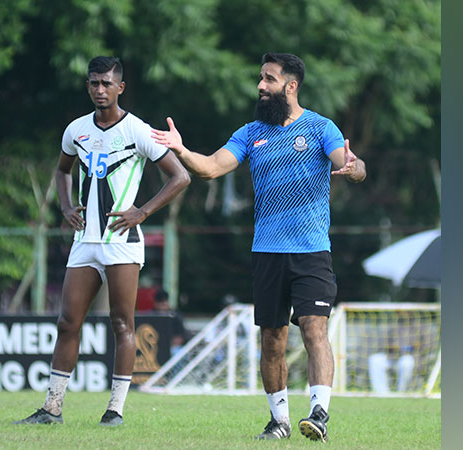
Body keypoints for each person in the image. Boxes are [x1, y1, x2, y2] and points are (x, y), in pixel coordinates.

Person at [152, 52, 366, 442]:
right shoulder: (250, 133)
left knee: (315, 330)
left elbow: (350, 162)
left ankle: (319, 412)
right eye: (261, 79)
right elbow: (212, 167)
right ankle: (279, 421)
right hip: (267, 252)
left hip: (311, 250)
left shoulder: (320, 127)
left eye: (269, 79)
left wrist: (353, 168)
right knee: (272, 339)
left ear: (291, 85)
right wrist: (181, 150)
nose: (260, 87)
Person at [14, 56, 190, 427]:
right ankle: (52, 408)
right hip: (85, 241)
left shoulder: (138, 131)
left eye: (106, 83)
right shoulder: (76, 130)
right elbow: (62, 170)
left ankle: (115, 411)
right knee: (67, 322)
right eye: (94, 83)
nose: (99, 90)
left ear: (120, 87)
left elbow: (180, 177)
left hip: (122, 242)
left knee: (122, 324)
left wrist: (141, 212)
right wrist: (64, 206)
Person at [151, 289, 190, 355]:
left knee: (177, 352)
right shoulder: (151, 316)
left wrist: (166, 346)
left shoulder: (175, 316)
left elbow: (179, 337)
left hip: (172, 347)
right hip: (154, 348)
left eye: (163, 302)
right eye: (159, 302)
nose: (161, 305)